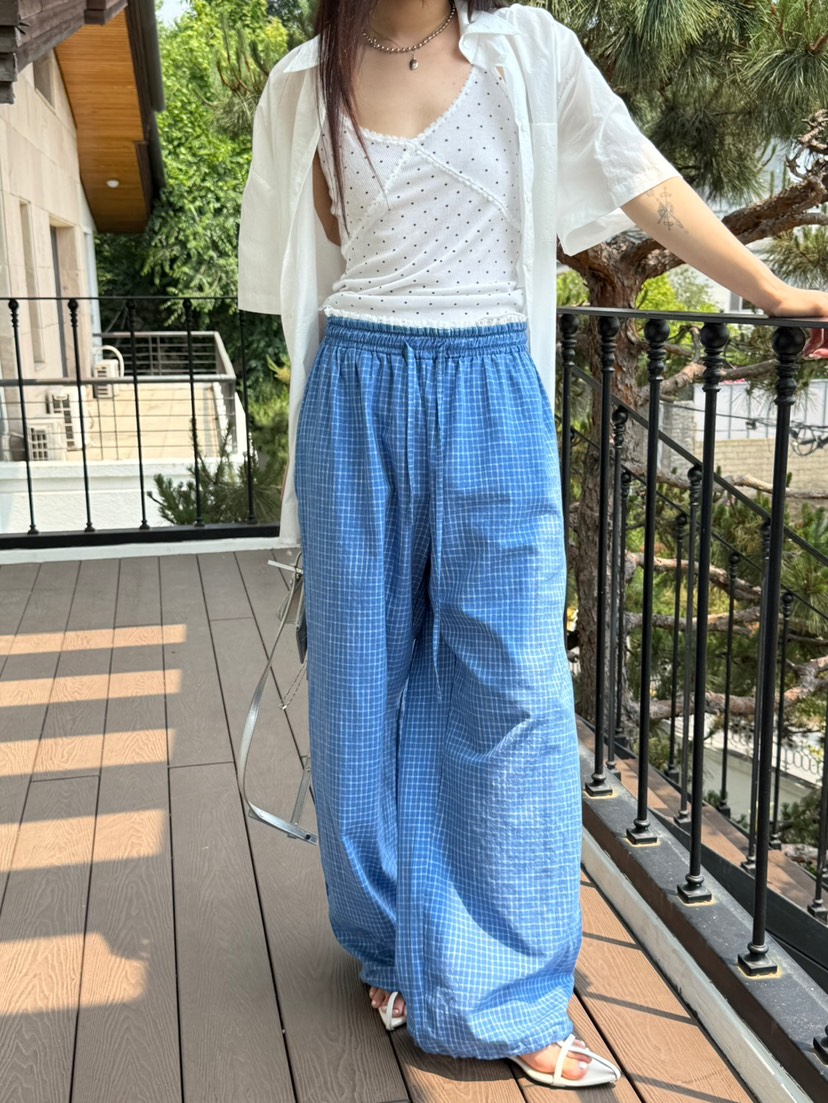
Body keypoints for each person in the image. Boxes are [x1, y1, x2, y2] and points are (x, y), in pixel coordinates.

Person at [238, 0, 828, 1089]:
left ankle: (507, 988)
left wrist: (766, 287)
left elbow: (641, 178)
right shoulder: (303, 79)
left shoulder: (528, 51)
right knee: (358, 687)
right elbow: (307, 257)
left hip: (492, 386)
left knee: (514, 691)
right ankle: (388, 940)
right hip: (357, 389)